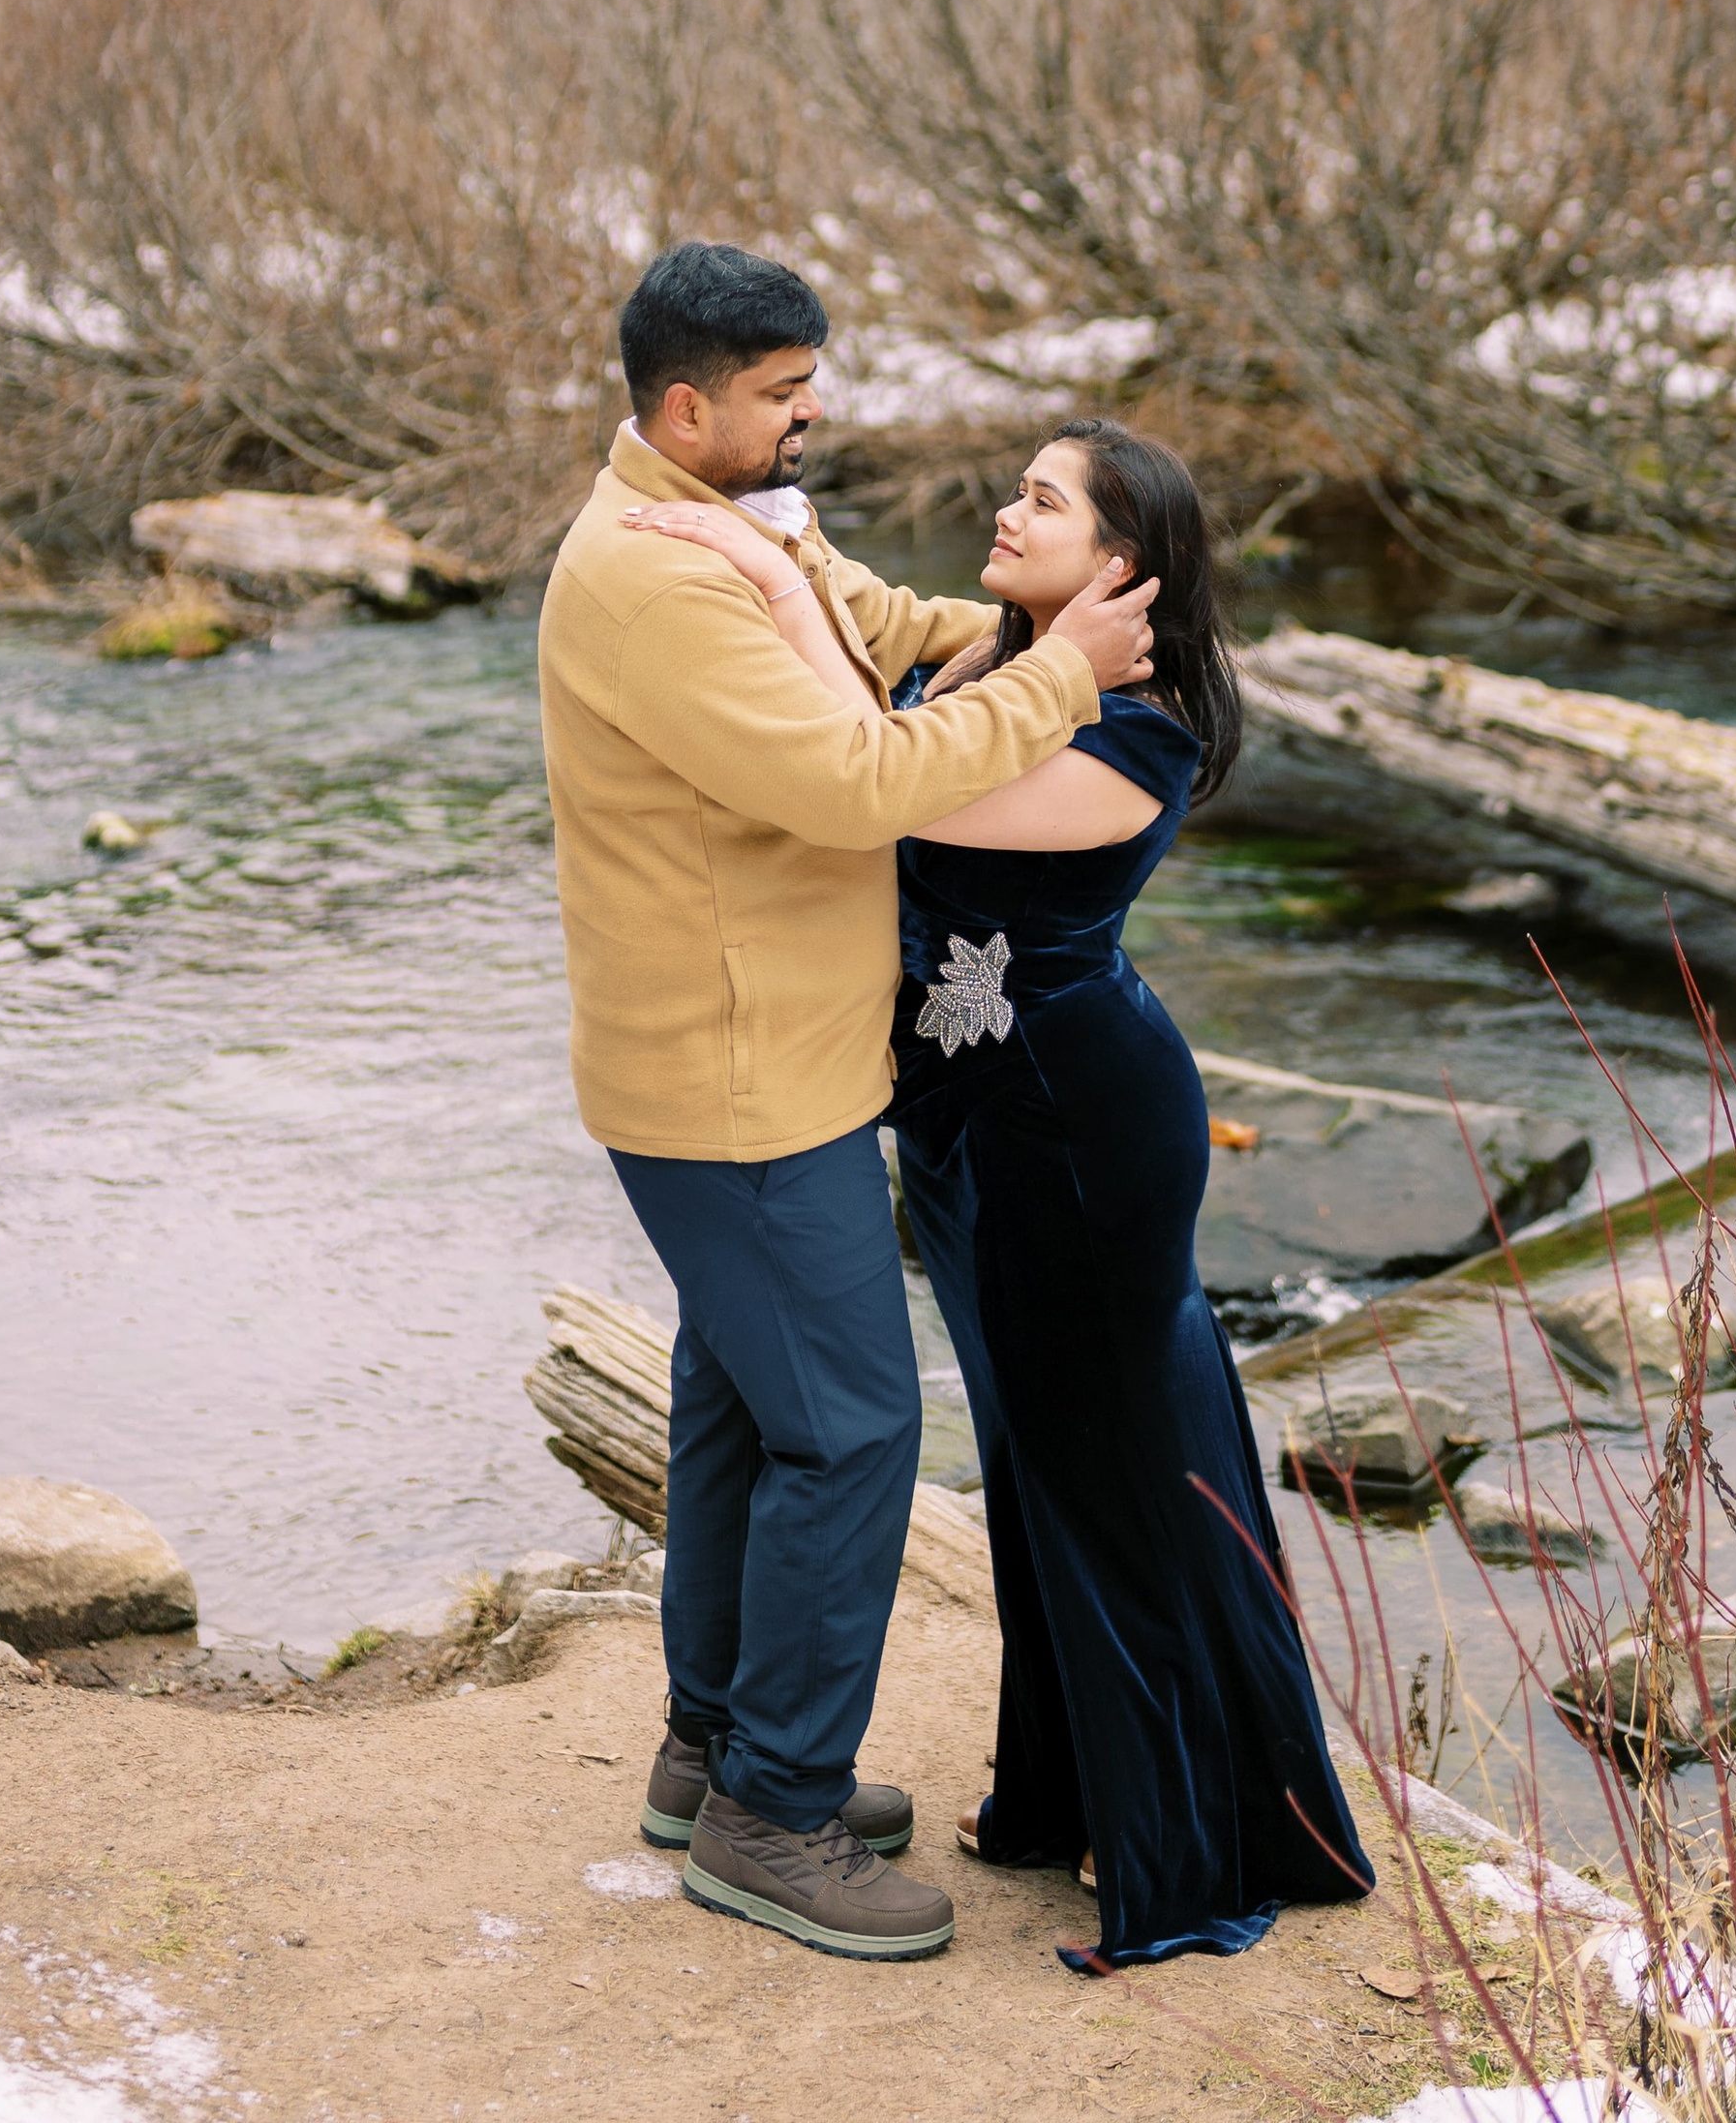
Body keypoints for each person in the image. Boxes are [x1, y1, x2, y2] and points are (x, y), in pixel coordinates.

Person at [537, 243, 1159, 1964]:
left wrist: (1038, 629)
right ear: (687, 406)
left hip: (780, 1056)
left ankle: (709, 1757)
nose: (815, 413)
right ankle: (775, 1819)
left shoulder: (750, 517)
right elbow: (848, 781)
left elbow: (880, 634)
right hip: (730, 1081)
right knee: (858, 1429)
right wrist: (1065, 681)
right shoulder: (648, 579)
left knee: (746, 1412)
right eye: (782, 393)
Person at [887, 419, 1373, 1968]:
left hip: (1082, 1133)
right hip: (967, 1130)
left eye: (1043, 498)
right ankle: (1064, 1787)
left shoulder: (1137, 735)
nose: (1005, 509)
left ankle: (1180, 1824)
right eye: (1016, 486)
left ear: (1121, 563)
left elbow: (896, 804)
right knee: (1036, 1471)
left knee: (1115, 1472)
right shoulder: (985, 662)